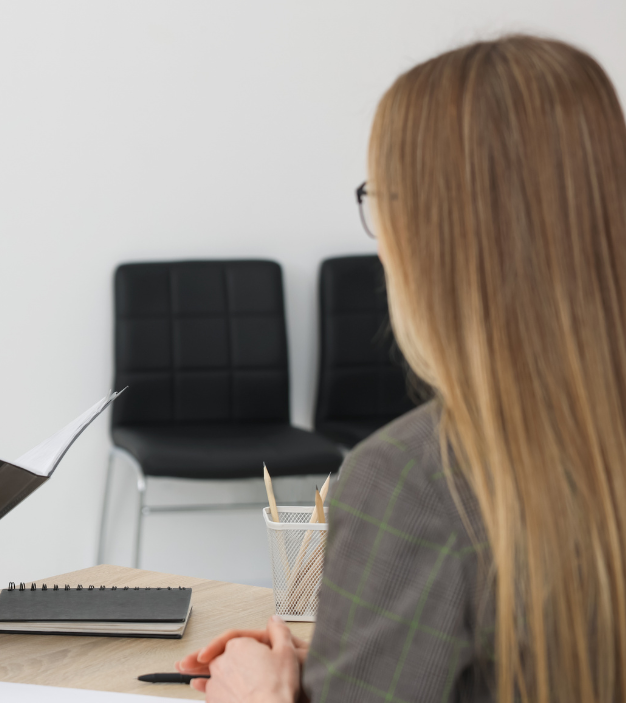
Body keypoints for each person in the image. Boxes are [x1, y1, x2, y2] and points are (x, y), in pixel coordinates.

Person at [177, 35, 626, 703]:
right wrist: (359, 647)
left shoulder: (417, 477)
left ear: (429, 231)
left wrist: (260, 697)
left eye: (380, 199)